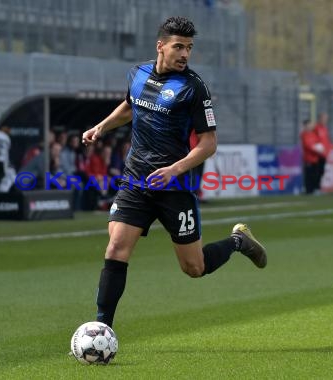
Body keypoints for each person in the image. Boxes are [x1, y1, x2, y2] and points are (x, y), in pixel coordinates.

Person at [81, 16, 267, 329]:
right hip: (136, 180)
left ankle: (238, 241)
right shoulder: (138, 74)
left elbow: (208, 144)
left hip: (174, 187)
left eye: (189, 48)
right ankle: (102, 328)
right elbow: (130, 105)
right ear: (160, 46)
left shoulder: (194, 88)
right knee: (115, 247)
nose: (185, 54)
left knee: (194, 267)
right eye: (178, 46)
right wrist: (101, 126)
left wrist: (174, 170)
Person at [300, 119, 324, 195]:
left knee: (315, 174)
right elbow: (307, 145)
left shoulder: (313, 134)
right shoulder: (304, 134)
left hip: (315, 158)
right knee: (308, 174)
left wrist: (320, 148)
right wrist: (316, 149)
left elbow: (318, 142)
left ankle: (314, 189)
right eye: (309, 124)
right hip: (308, 158)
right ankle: (308, 190)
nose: (311, 126)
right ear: (306, 125)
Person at [313, 112, 330, 192]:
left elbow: (326, 140)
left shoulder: (325, 128)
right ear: (320, 119)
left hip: (324, 154)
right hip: (318, 154)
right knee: (317, 171)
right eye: (324, 118)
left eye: (326, 118)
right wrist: (319, 149)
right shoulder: (316, 128)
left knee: (321, 171)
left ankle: (318, 187)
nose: (325, 120)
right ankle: (315, 188)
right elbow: (314, 140)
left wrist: (327, 150)